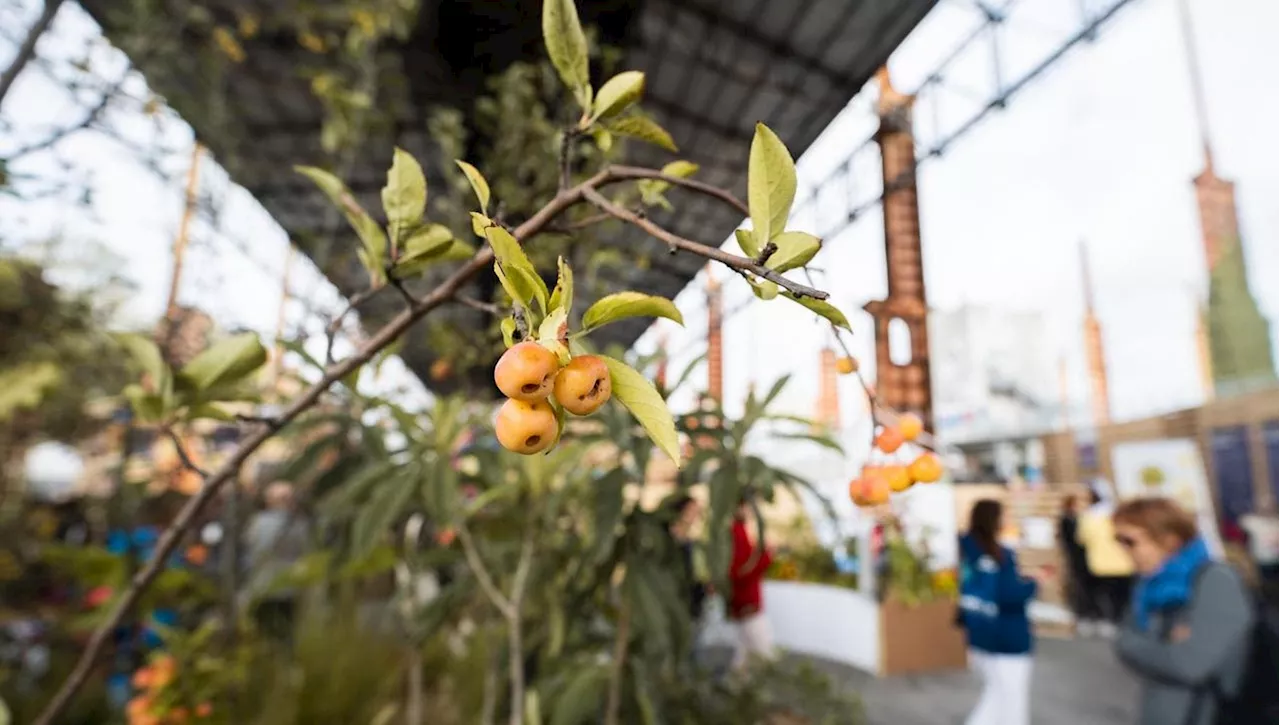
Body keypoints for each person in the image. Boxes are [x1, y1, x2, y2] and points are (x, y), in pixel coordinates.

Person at [1111, 497, 1255, 725]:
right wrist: (1164, 645)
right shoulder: (1149, 585)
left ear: (1169, 540)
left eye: (1129, 541)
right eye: (1117, 540)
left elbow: (1189, 665)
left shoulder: (1214, 580)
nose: (1122, 549)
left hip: (1206, 714)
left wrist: (1141, 645)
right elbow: (1123, 643)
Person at [958, 499, 1040, 725]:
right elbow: (1009, 595)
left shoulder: (965, 548)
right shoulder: (1000, 554)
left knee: (995, 694)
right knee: (1012, 699)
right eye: (1005, 515)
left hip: (978, 630)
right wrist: (1033, 584)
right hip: (1008, 635)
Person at [243, 481, 310, 641]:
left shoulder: (258, 522)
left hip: (261, 585)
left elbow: (250, 549)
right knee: (285, 633)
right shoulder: (299, 524)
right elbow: (305, 551)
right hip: (288, 586)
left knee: (262, 633)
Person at [1076, 486, 1134, 637]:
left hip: (1099, 563)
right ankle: (1122, 620)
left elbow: (1082, 539)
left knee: (1102, 595)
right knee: (1121, 595)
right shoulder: (1118, 515)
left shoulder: (1088, 517)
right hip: (1123, 563)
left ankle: (1106, 620)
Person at [727, 497, 774, 673]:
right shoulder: (736, 533)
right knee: (764, 654)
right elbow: (739, 573)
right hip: (747, 603)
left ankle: (737, 693)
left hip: (744, 603)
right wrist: (765, 557)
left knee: (743, 658)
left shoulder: (740, 531)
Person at [1058, 495, 1096, 630]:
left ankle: (1089, 613)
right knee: (1081, 587)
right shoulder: (1068, 520)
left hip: (1085, 559)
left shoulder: (1079, 519)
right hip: (1076, 558)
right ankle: (1083, 614)